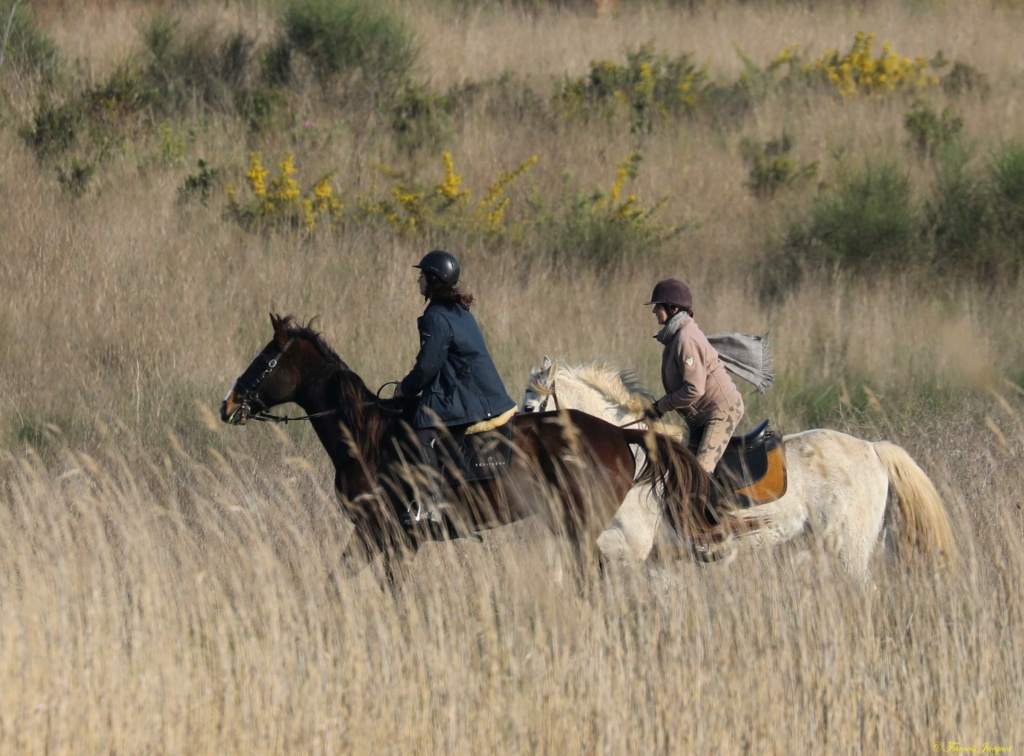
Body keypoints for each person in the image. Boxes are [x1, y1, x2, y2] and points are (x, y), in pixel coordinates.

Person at [394, 250, 516, 521]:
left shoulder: (437, 316)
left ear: (433, 278)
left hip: (467, 396)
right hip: (474, 390)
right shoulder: (456, 309)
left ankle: (428, 505)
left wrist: (406, 387)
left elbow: (428, 366)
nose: (418, 280)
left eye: (422, 275)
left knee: (421, 436)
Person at [642, 278, 745, 475]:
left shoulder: (685, 339)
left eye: (657, 306)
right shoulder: (676, 335)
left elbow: (694, 389)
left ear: (673, 308)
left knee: (698, 474)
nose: (654, 311)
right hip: (700, 417)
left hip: (720, 412)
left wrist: (660, 406)